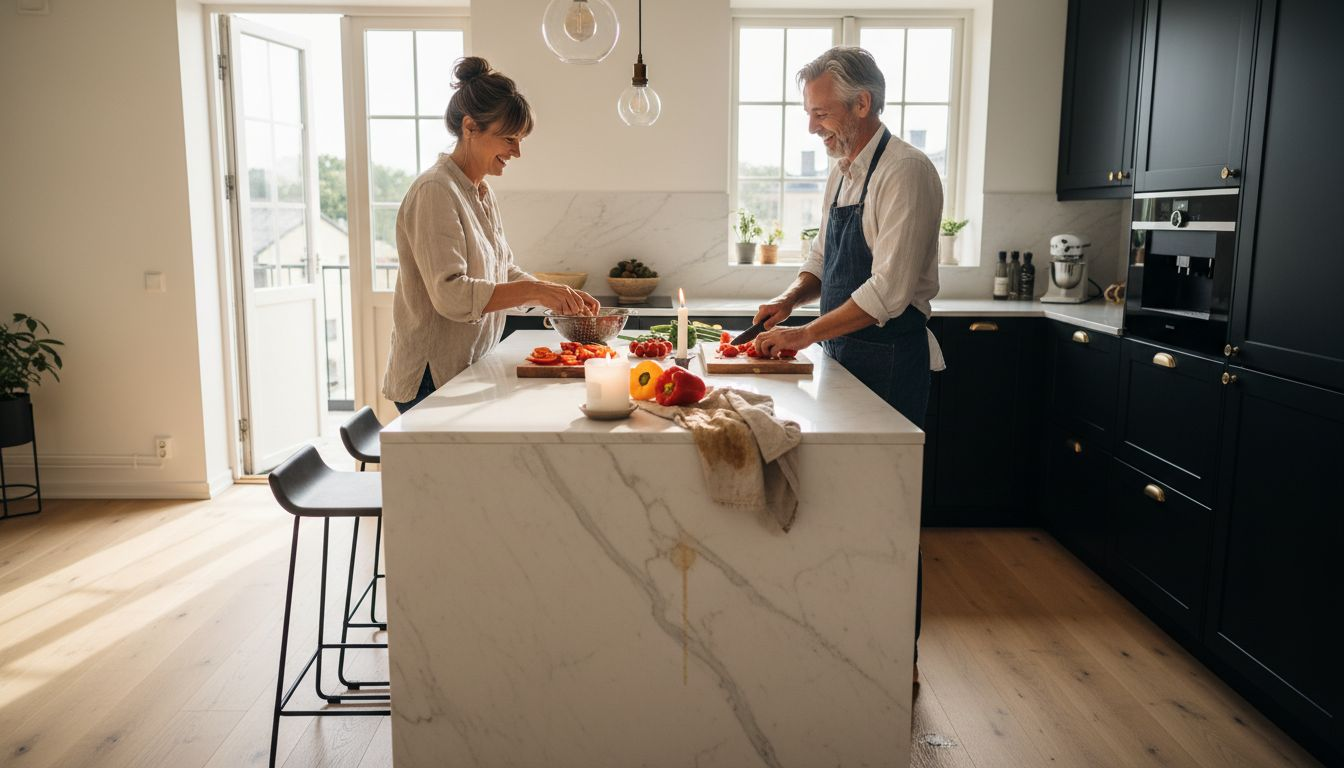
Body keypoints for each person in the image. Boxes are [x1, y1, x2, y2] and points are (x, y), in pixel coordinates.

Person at [752, 46, 944, 690]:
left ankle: (898, 659)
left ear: (862, 105)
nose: (813, 128)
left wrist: (803, 334)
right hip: (843, 354)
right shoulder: (843, 169)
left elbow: (887, 292)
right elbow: (822, 256)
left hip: (889, 358)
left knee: (888, 506)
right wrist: (787, 301)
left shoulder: (906, 172)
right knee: (843, 499)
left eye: (821, 114)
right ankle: (845, 642)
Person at [382, 56, 599, 413]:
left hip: (465, 366)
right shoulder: (435, 190)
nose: (517, 151)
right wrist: (538, 291)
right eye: (509, 138)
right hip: (430, 378)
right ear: (470, 127)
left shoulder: (479, 191)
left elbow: (505, 270)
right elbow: (451, 295)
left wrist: (555, 296)